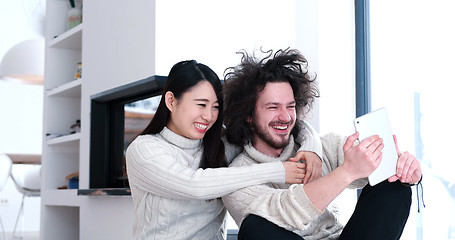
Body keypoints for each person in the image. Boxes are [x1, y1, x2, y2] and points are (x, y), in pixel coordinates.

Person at [221, 48, 422, 240]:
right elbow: (287, 212)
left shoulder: (322, 147)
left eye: (290, 106)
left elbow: (378, 168)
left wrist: (405, 169)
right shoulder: (238, 177)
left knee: (394, 187)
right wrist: (347, 172)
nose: (284, 116)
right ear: (248, 115)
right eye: (273, 107)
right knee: (254, 228)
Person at [125, 60, 324, 240]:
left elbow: (281, 124)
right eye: (201, 105)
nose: (209, 116)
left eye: (215, 107)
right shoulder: (144, 150)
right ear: (171, 101)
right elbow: (195, 185)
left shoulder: (220, 145)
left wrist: (312, 148)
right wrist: (280, 171)